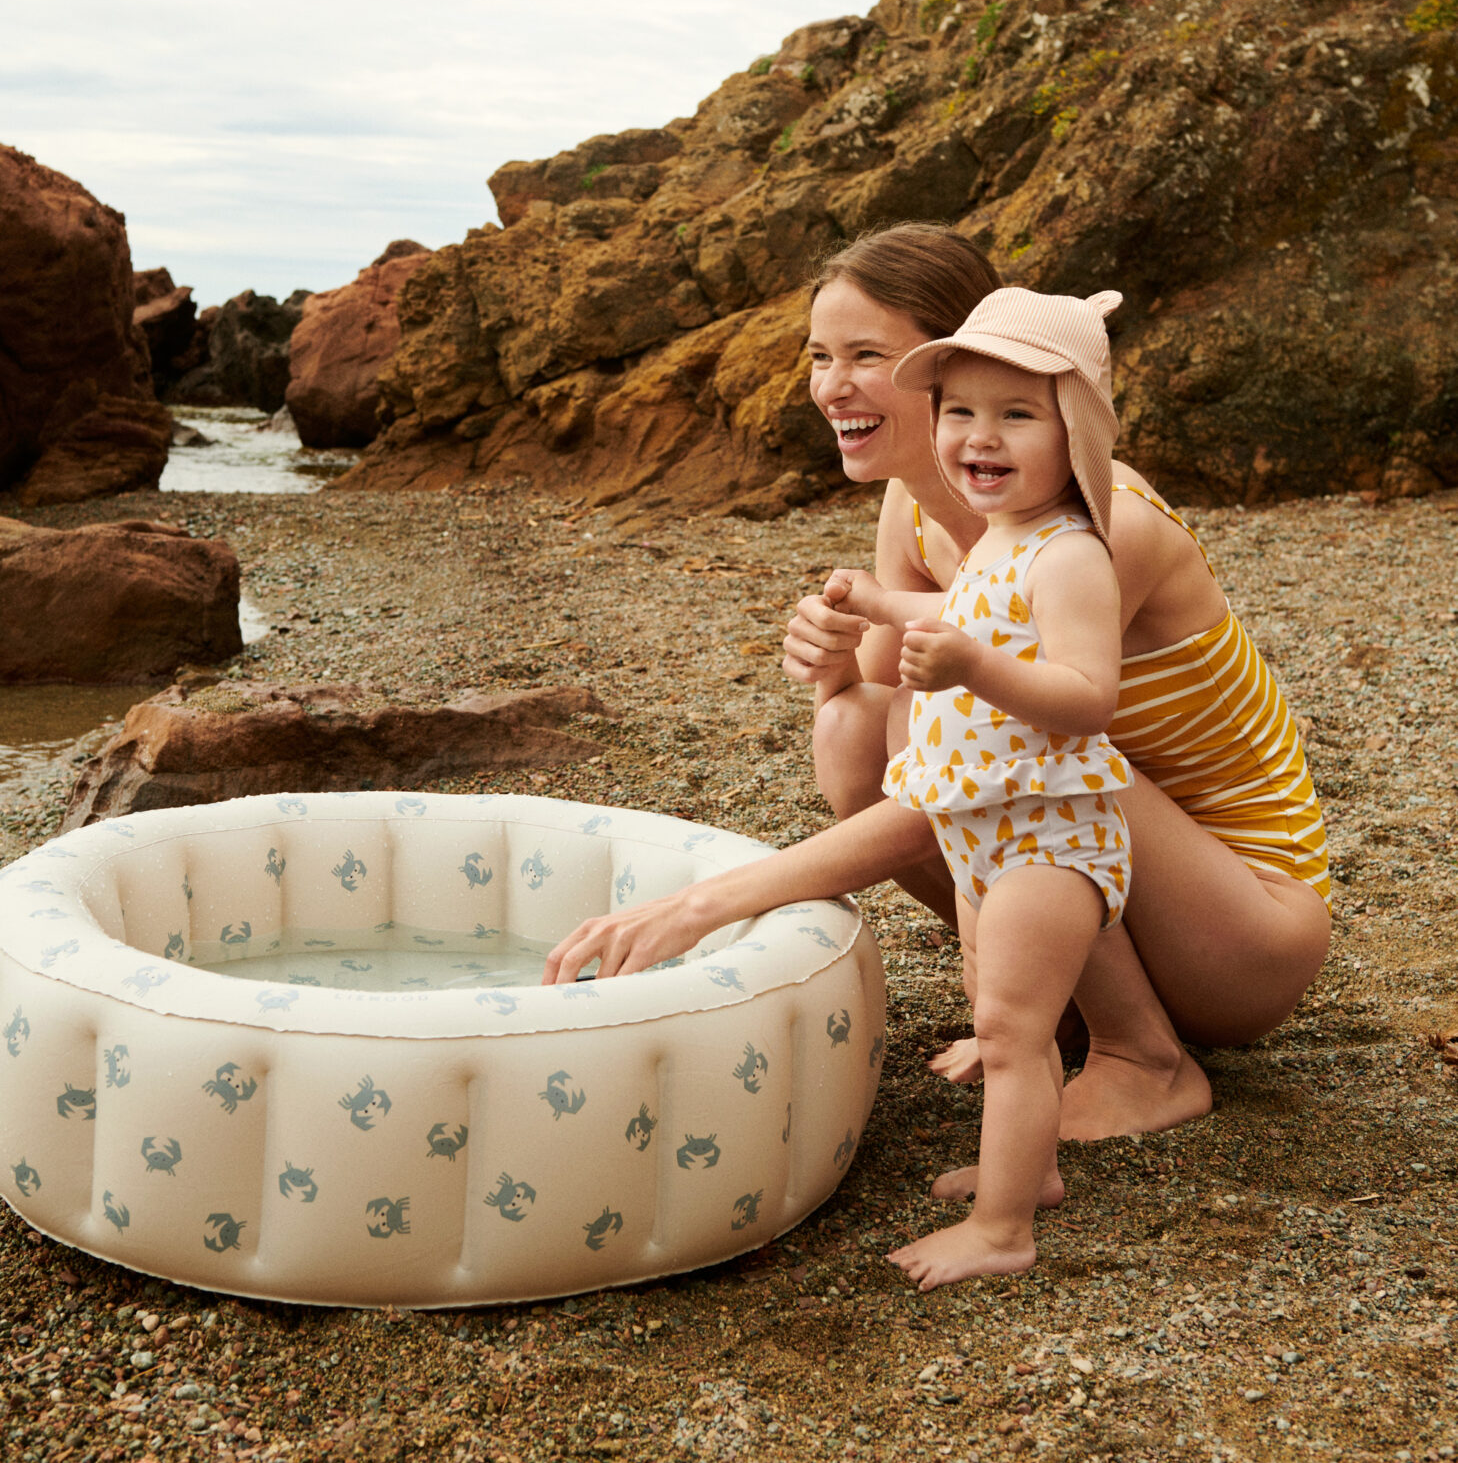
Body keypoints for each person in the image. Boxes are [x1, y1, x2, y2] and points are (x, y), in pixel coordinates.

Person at [542, 225, 1332, 1154]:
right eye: (819, 357)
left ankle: (1143, 1055)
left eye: (866, 356)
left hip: (1244, 923)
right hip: (1122, 867)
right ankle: (1047, 1010)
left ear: (957, 361)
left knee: (955, 731)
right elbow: (881, 731)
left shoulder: (1098, 522)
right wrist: (832, 666)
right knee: (851, 727)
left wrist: (705, 902)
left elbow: (962, 777)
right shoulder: (914, 506)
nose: (831, 387)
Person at [822, 286, 1134, 1285]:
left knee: (1008, 1027)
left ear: (1072, 430)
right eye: (958, 411)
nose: (977, 437)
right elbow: (962, 601)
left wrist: (972, 670)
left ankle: (1003, 1231)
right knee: (991, 1001)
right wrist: (876, 599)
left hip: (1049, 838)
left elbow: (1086, 693)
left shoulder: (1074, 554)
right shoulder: (1000, 537)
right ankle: (1027, 1169)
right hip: (981, 828)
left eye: (1015, 415)